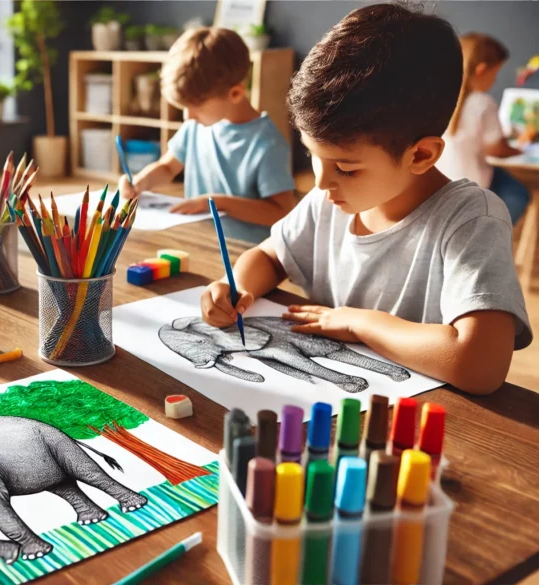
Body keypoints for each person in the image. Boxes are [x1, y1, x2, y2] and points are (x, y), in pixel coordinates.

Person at [201, 3, 531, 395]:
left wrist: (361, 323)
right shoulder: (330, 201)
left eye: (345, 167)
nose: (322, 183)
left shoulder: (471, 219)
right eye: (313, 156)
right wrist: (236, 284)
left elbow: (480, 365)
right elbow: (272, 256)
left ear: (421, 155)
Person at [118, 27, 296, 244]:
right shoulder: (196, 126)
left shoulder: (266, 143)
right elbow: (167, 168)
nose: (187, 117)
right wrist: (141, 181)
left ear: (235, 93)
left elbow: (282, 211)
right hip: (200, 241)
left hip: (246, 253)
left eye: (196, 107)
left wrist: (216, 202)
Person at [437, 32, 529, 225]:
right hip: (473, 189)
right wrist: (520, 146)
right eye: (494, 74)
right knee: (519, 192)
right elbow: (495, 149)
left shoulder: (437, 99)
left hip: (439, 188)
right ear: (481, 70)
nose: (494, 81)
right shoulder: (482, 102)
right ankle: (496, 229)